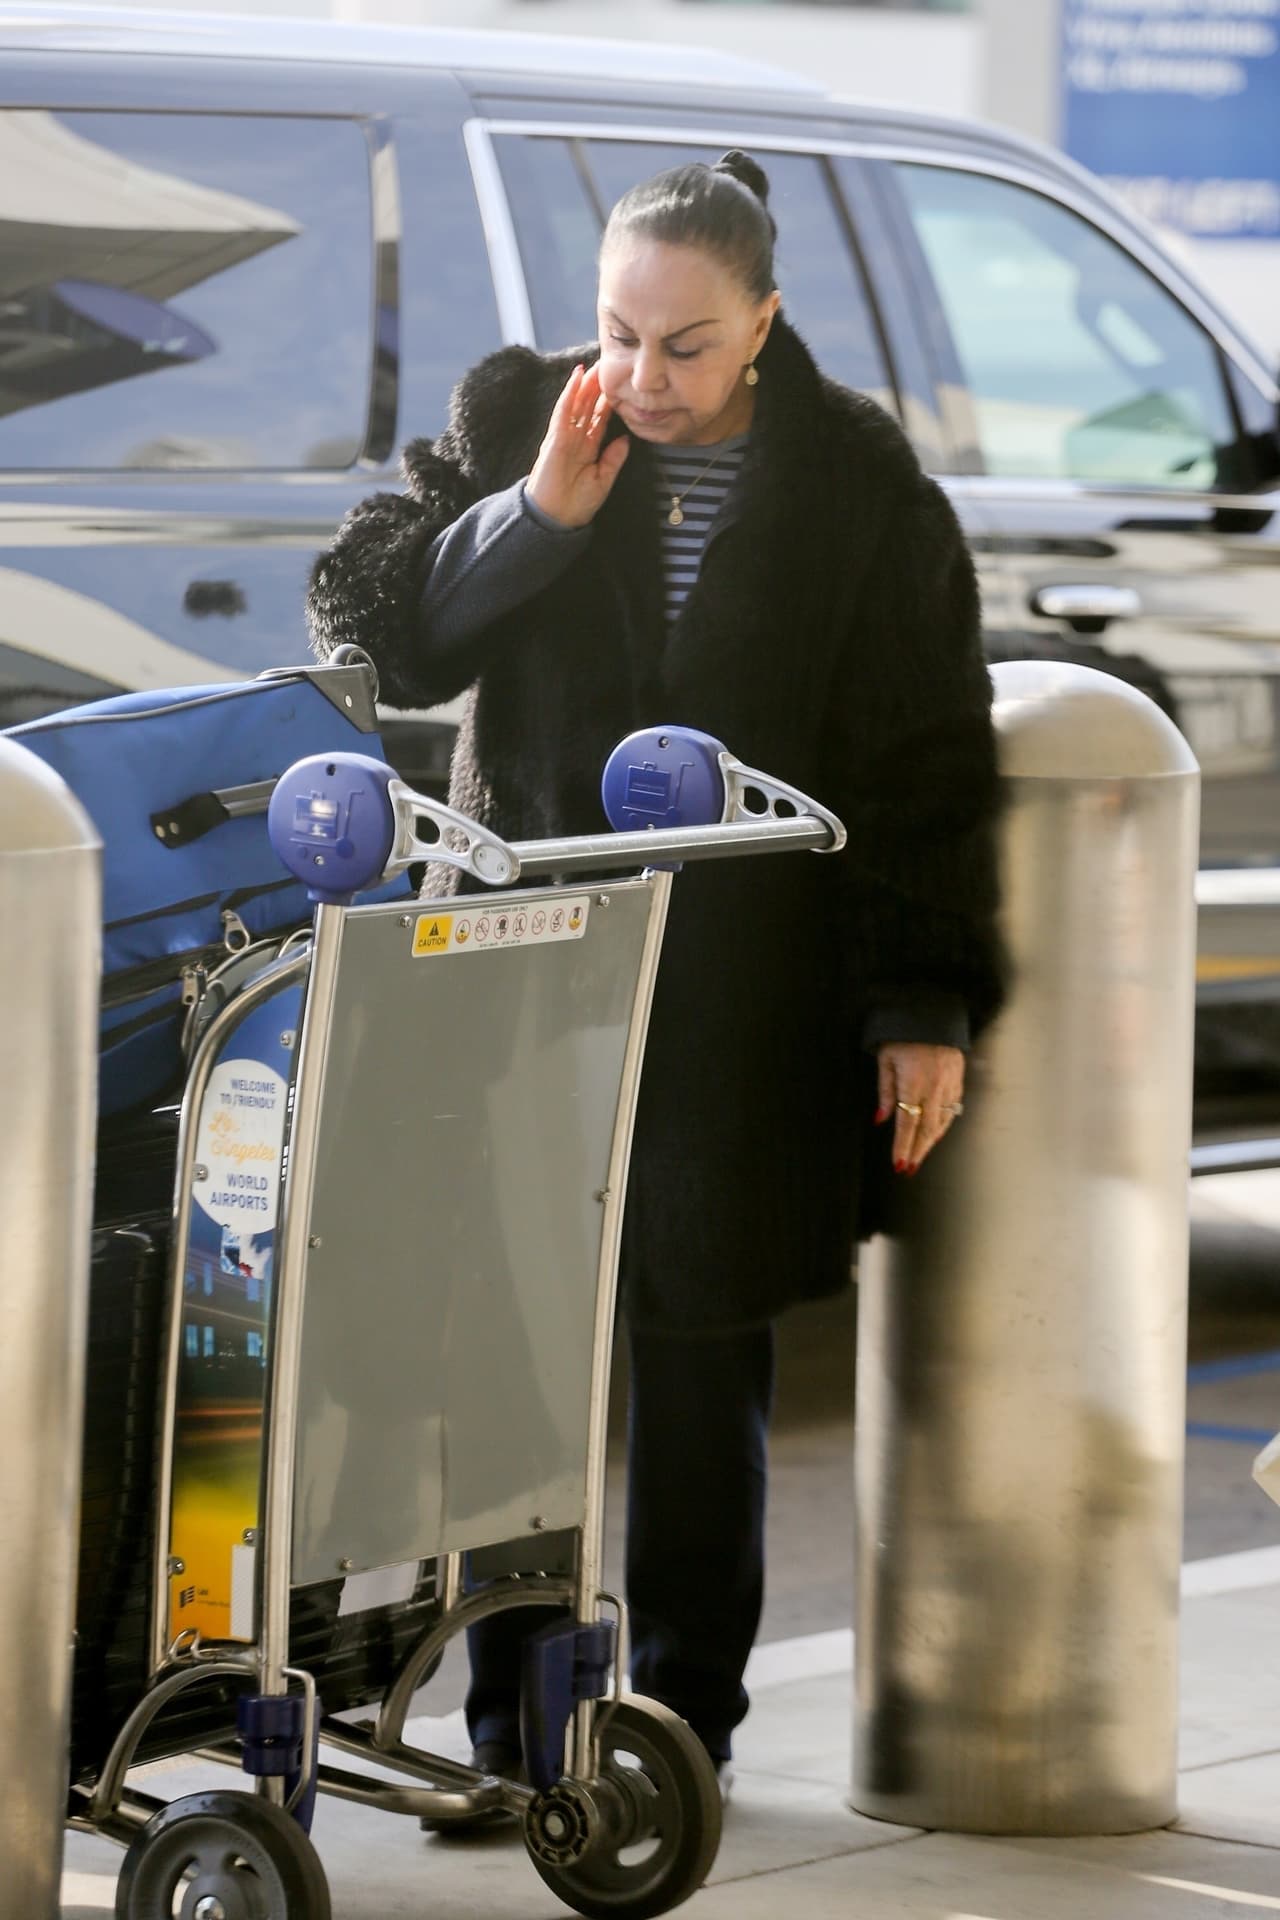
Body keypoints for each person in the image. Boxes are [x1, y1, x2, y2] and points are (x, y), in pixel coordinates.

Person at [306, 150, 1005, 1802]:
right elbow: (384, 633)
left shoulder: (857, 482)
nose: (643, 378)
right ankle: (513, 1730)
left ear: (763, 322)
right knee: (516, 1369)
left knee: (702, 1371)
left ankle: (679, 1728)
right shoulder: (517, 418)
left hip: (746, 996)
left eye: (687, 345)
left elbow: (922, 763)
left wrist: (921, 1006)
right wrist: (540, 513)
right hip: (526, 968)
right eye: (619, 334)